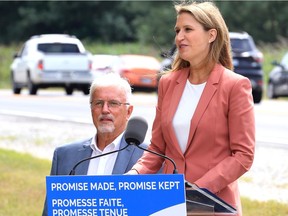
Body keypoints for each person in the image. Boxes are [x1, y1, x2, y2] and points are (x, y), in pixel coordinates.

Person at [127, 2, 255, 215]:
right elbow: (158, 148)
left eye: (188, 29)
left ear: (211, 35)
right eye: (177, 30)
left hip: (214, 205)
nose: (179, 37)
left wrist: (197, 190)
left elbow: (243, 155)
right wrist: (134, 174)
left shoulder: (235, 85)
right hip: (169, 205)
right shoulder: (168, 83)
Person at [42, 72, 147, 216]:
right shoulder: (64, 156)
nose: (105, 110)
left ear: (128, 111)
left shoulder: (149, 157)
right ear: (91, 109)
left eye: (113, 103)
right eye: (98, 103)